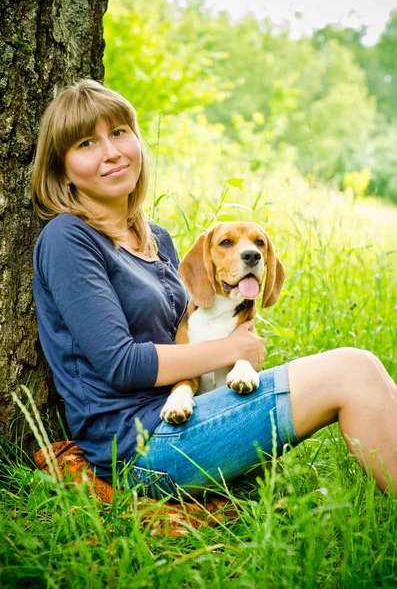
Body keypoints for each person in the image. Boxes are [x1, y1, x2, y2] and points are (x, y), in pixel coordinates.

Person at [31, 79, 397, 499]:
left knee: (366, 370)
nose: (111, 151)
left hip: (194, 411)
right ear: (61, 167)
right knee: (353, 369)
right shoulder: (68, 240)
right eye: (85, 143)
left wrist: (236, 349)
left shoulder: (156, 239)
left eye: (118, 133)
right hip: (140, 447)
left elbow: (195, 326)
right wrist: (234, 350)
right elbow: (121, 364)